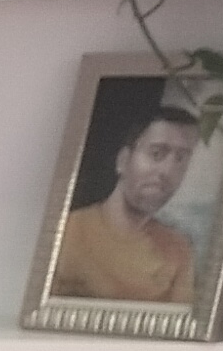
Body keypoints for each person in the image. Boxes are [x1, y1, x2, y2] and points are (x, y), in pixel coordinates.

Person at [52, 94, 207, 304]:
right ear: (123, 160)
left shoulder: (178, 250)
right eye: (157, 154)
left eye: (180, 159)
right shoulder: (69, 231)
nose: (168, 170)